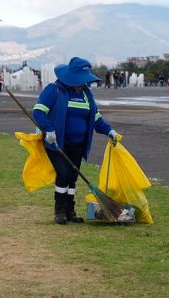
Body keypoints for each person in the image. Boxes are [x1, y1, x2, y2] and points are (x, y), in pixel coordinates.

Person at [32, 57, 118, 225]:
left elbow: (95, 117)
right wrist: (49, 129)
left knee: (72, 177)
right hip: (57, 143)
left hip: (78, 144)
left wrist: (109, 130)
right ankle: (60, 211)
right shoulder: (54, 90)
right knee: (63, 174)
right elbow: (38, 112)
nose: (83, 84)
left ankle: (70, 211)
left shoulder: (86, 94)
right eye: (81, 80)